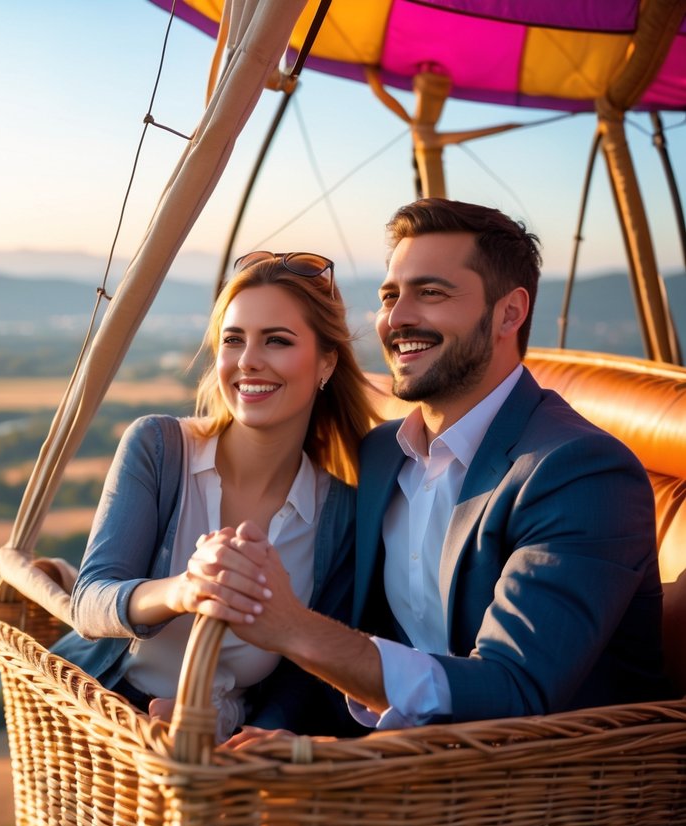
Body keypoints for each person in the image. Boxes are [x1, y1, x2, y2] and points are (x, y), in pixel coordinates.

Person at [204, 198, 667, 746]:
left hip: (543, 787)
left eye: (431, 293)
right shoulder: (380, 455)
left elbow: (515, 691)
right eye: (389, 296)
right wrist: (244, 732)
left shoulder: (579, 472)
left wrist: (290, 629)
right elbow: (355, 642)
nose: (397, 319)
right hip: (399, 770)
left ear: (509, 313)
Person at [52, 250, 378, 741]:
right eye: (233, 340)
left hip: (221, 752)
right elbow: (90, 602)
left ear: (326, 363)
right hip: (104, 726)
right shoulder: (160, 448)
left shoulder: (341, 516)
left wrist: (252, 737)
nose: (248, 360)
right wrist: (184, 589)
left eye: (277, 341)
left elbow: (301, 675)